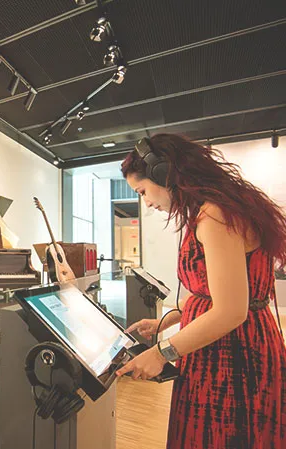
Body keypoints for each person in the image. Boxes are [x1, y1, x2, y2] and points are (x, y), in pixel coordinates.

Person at [115, 133, 286, 449]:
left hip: (232, 358)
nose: (147, 202)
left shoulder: (214, 216)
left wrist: (161, 351)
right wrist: (165, 323)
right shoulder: (216, 210)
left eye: (142, 191)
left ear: (164, 174)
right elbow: (213, 293)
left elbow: (232, 310)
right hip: (224, 347)